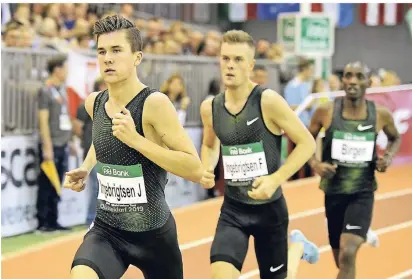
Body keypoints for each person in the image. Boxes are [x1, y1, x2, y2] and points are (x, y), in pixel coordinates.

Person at [64, 15, 203, 279]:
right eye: (102, 51)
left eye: (117, 50)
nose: (107, 58)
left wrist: (136, 140)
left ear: (137, 57)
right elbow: (103, 137)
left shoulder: (154, 104)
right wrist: (86, 166)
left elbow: (194, 168)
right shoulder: (94, 102)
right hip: (107, 230)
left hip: (154, 235)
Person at [199, 30, 320, 279]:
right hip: (233, 211)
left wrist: (276, 178)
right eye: (225, 58)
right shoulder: (210, 108)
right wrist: (207, 167)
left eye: (238, 59)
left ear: (251, 65)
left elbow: (307, 143)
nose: (230, 65)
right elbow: (211, 145)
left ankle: (297, 248)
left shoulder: (267, 101)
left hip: (270, 210)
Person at [308, 62, 401, 279]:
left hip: (362, 192)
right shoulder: (326, 111)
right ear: (342, 80)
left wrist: (387, 157)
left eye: (359, 77)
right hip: (334, 192)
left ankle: (359, 231)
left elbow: (395, 138)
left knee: (348, 253)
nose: (352, 81)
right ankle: (360, 234)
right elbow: (305, 139)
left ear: (368, 82)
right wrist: (316, 164)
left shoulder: (380, 114)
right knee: (341, 260)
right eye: (348, 76)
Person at [36, 55, 72, 233]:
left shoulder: (61, 90)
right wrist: (47, 146)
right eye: (65, 68)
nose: (67, 72)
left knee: (58, 182)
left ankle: (54, 218)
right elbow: (43, 120)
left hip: (62, 142)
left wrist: (70, 140)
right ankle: (43, 221)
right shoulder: (46, 91)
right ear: (57, 70)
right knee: (47, 183)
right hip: (52, 144)